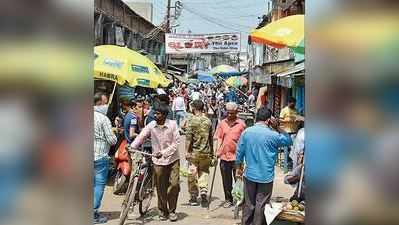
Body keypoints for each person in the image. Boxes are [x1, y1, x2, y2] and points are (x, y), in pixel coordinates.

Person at [236, 106, 292, 225]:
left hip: (249, 174)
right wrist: (278, 127)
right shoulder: (273, 135)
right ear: (268, 120)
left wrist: (238, 168)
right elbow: (288, 140)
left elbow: (239, 152)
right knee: (260, 205)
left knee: (249, 204)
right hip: (266, 177)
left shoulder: (247, 132)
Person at [130, 103, 180, 222]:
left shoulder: (172, 124)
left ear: (164, 115)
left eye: (158, 114)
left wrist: (163, 152)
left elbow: (176, 143)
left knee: (174, 185)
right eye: (155, 113)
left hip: (173, 159)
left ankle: (172, 210)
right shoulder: (151, 125)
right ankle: (163, 210)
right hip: (157, 161)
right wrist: (132, 146)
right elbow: (141, 136)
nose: (155, 116)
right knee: (160, 187)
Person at [214, 102, 246, 208]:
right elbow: (219, 138)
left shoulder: (241, 124)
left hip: (237, 157)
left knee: (239, 179)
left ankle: (239, 199)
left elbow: (245, 141)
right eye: (228, 113)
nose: (229, 115)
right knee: (226, 180)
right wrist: (217, 151)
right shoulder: (222, 123)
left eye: (232, 113)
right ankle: (228, 199)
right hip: (224, 156)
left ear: (236, 112)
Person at [94, 93, 118, 224]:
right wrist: (115, 133)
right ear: (99, 104)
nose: (107, 105)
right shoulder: (103, 119)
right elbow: (112, 140)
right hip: (99, 157)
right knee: (98, 185)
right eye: (105, 103)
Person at [185, 100, 214, 207]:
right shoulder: (208, 121)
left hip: (194, 153)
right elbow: (211, 138)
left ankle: (193, 196)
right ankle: (203, 191)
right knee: (204, 172)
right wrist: (212, 153)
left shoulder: (191, 121)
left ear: (194, 108)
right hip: (206, 152)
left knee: (192, 173)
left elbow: (188, 138)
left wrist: (186, 151)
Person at [279, 97, 300, 172]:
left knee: (293, 149)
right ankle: (286, 164)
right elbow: (280, 120)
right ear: (289, 103)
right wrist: (288, 120)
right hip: (286, 132)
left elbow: (298, 120)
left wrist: (298, 121)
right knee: (287, 149)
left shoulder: (296, 110)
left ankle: (291, 163)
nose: (294, 104)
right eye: (292, 103)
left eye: (294, 103)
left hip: (294, 131)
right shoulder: (284, 110)